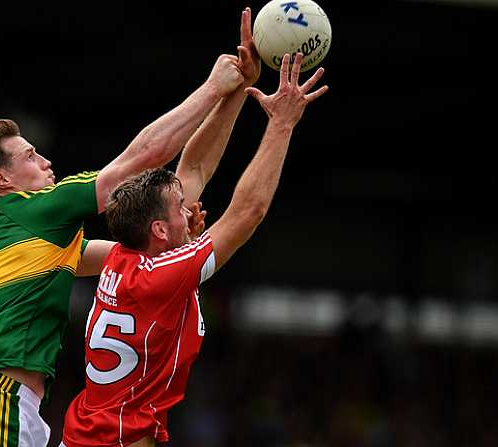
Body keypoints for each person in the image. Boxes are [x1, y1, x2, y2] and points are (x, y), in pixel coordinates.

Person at [0, 7, 262, 445]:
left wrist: (180, 237)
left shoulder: (32, 238)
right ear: (3, 180)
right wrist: (214, 89)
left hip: (14, 402)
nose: (46, 161)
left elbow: (134, 258)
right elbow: (142, 157)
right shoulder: (33, 208)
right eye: (31, 156)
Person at [60, 52, 327, 447]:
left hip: (91, 434)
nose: (190, 208)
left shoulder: (124, 256)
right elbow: (247, 212)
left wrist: (239, 91)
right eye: (179, 207)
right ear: (159, 230)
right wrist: (282, 124)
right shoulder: (164, 273)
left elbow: (196, 169)